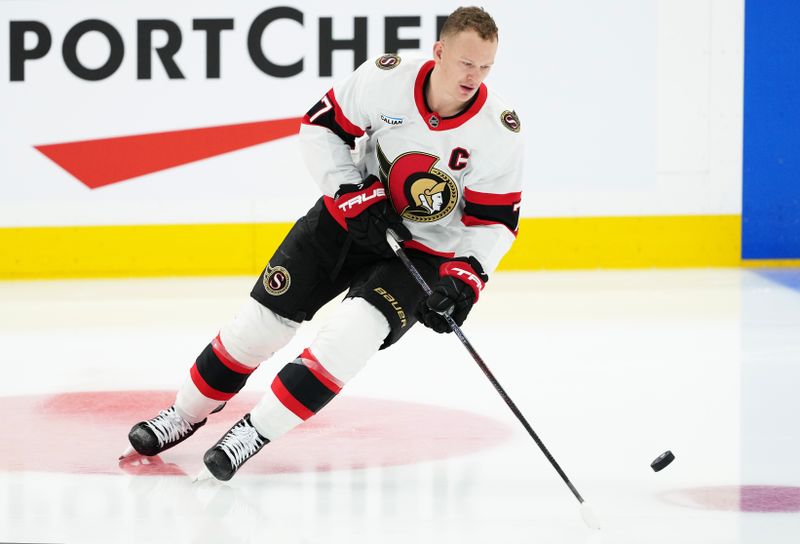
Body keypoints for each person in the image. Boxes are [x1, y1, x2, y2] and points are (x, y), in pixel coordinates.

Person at [121, 5, 523, 481]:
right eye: (465, 63)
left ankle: (254, 430)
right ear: (439, 51)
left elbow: (495, 219)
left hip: (422, 250)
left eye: (485, 67)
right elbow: (320, 127)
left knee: (349, 338)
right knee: (260, 325)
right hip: (345, 221)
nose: (474, 77)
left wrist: (464, 281)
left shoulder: (498, 131)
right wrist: (352, 192)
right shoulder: (383, 79)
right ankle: (183, 414)